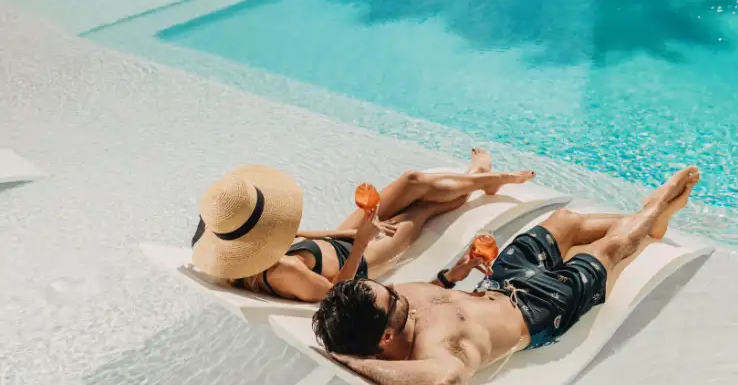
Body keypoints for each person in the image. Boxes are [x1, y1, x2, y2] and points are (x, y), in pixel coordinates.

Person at [311, 166, 701, 385]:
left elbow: (423, 292)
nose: (401, 295)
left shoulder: (387, 313)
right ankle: (656, 207)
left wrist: (452, 275)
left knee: (565, 220)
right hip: (542, 308)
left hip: (498, 281)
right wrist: (354, 364)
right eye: (395, 301)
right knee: (611, 247)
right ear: (385, 339)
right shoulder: (435, 351)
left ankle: (648, 221)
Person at [189, 149, 535, 302]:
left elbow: (304, 235)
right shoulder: (285, 270)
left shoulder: (260, 245)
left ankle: (484, 179)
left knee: (412, 180)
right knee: (426, 207)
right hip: (365, 259)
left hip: (348, 240)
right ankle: (482, 178)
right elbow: (335, 294)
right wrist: (361, 243)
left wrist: (353, 231)